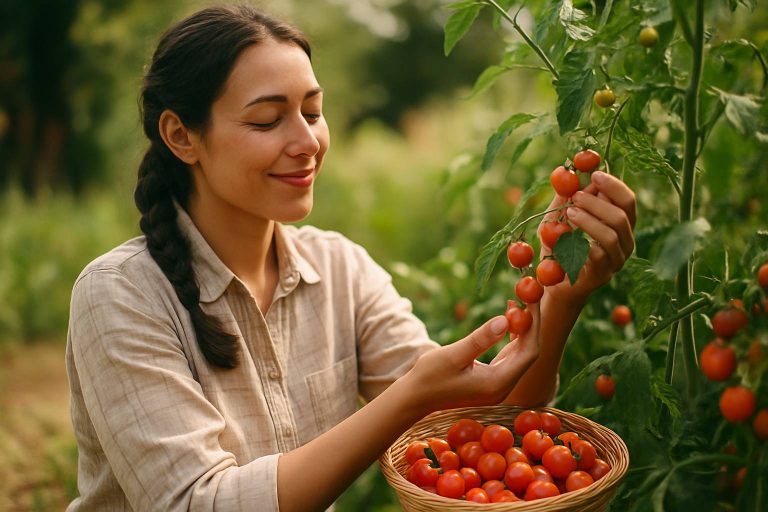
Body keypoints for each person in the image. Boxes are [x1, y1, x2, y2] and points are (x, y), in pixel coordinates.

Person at [64, 4, 636, 511]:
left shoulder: (341, 269)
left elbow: (472, 431)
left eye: (312, 112)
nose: (308, 141)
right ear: (181, 136)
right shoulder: (121, 294)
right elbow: (195, 504)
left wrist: (563, 295)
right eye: (267, 120)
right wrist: (408, 396)